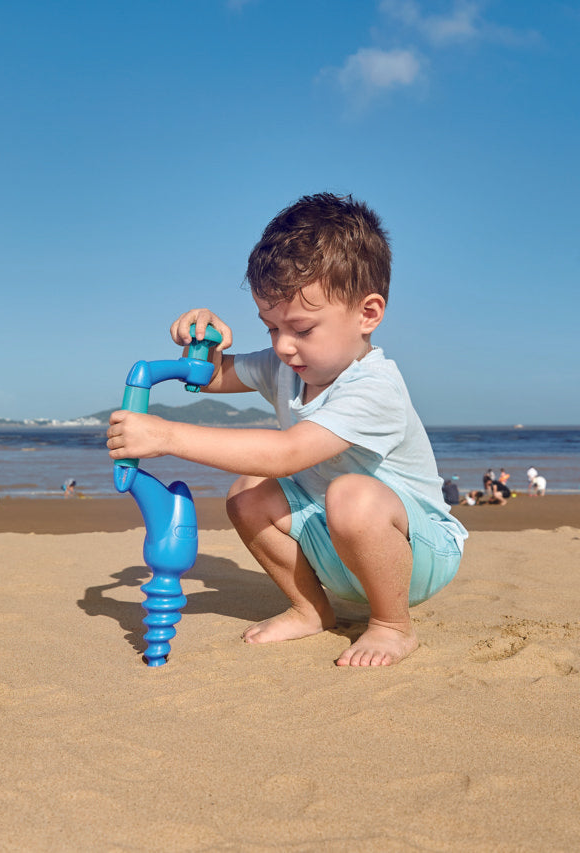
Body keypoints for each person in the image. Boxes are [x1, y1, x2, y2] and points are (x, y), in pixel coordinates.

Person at [107, 193, 467, 667]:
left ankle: (391, 625)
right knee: (247, 491)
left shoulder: (375, 387)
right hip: (336, 544)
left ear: (368, 314)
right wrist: (202, 341)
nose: (283, 347)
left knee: (351, 495)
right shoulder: (288, 366)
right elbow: (215, 375)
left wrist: (167, 437)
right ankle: (310, 607)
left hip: (414, 555)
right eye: (271, 328)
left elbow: (287, 453)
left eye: (301, 328)